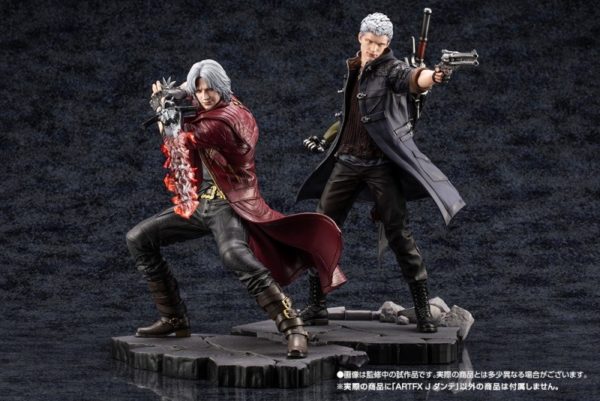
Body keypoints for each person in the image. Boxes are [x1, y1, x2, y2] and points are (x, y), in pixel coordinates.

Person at [126, 59, 346, 358]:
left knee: (234, 255)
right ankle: (173, 318)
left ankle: (293, 327)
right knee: (138, 238)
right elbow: (185, 95)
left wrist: (163, 110)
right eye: (199, 90)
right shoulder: (207, 104)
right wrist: (171, 95)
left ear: (222, 88)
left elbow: (181, 139)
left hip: (229, 205)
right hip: (198, 202)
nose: (204, 96)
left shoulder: (227, 120)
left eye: (210, 90)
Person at [297, 13, 465, 333]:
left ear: (388, 44)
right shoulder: (354, 68)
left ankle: (422, 309)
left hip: (380, 166)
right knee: (320, 229)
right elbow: (349, 114)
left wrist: (433, 76)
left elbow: (412, 78)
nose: (374, 48)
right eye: (370, 41)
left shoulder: (391, 69)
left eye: (380, 43)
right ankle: (317, 305)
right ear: (360, 38)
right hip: (347, 162)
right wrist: (326, 138)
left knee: (399, 234)